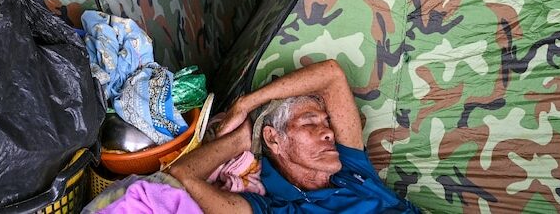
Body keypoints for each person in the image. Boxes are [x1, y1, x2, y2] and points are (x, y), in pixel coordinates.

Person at [169, 59, 420, 213]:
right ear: (274, 138)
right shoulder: (275, 209)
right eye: (310, 123)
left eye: (327, 122)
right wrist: (240, 139)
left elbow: (332, 74)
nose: (329, 132)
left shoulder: (352, 172)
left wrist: (245, 103)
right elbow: (183, 175)